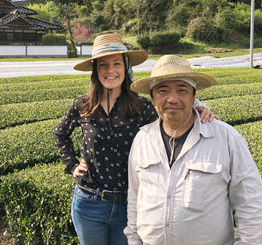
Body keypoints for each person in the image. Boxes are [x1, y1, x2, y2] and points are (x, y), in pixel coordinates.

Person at [53, 33, 217, 245]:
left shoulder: (142, 107)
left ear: (125, 67)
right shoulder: (82, 105)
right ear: (95, 70)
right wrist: (71, 164)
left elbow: (171, 110)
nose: (110, 71)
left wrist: (198, 108)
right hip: (89, 203)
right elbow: (60, 133)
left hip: (128, 204)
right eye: (103, 65)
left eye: (116, 63)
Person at [124, 54, 262, 245]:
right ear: (152, 98)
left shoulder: (225, 137)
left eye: (182, 90)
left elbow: (252, 204)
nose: (172, 98)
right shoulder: (143, 139)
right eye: (163, 90)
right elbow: (135, 199)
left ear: (194, 96)